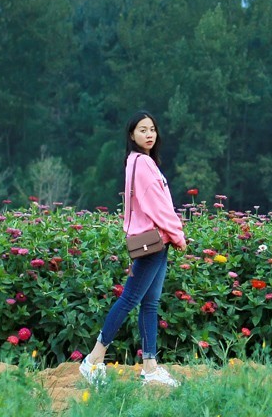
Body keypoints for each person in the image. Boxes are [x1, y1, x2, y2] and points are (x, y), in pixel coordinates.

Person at [79, 111, 187, 387]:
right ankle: (93, 360)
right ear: (131, 135)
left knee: (149, 303)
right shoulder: (141, 163)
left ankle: (150, 367)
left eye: (152, 129)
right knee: (129, 300)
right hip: (153, 242)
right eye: (142, 130)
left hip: (157, 241)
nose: (149, 134)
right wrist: (177, 232)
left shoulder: (141, 162)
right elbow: (157, 205)